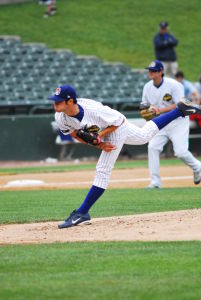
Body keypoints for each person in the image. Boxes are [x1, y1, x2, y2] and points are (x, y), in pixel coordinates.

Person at [50, 84, 201, 228]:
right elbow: (75, 134)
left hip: (116, 126)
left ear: (70, 101)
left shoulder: (93, 110)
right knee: (144, 136)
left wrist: (100, 136)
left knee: (103, 169)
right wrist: (100, 144)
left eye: (58, 101)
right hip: (106, 128)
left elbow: (119, 121)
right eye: (55, 101)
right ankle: (179, 110)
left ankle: (82, 213)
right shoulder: (60, 117)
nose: (55, 104)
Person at [140, 60, 201, 189]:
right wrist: (146, 111)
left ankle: (197, 167)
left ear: (161, 71)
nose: (150, 72)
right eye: (149, 70)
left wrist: (159, 110)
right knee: (153, 147)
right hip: (160, 122)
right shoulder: (147, 87)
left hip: (177, 122)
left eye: (154, 70)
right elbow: (144, 105)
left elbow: (181, 104)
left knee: (180, 152)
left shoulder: (174, 85)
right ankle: (155, 182)